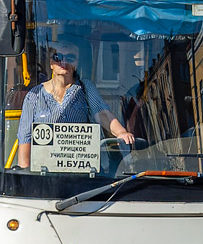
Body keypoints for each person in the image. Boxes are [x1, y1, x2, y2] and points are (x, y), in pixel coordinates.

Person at [15, 41, 135, 169]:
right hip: (44, 173)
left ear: (76, 63)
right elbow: (25, 137)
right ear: (51, 63)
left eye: (70, 58)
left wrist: (121, 133)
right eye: (58, 57)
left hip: (79, 169)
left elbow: (101, 112)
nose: (64, 62)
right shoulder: (35, 94)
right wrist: (25, 172)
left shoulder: (85, 88)